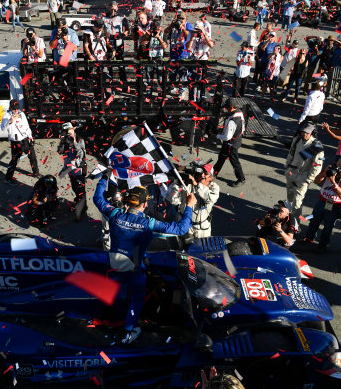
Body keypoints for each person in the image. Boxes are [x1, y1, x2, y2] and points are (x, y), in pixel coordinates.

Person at [93, 170, 196, 343]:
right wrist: (190, 206)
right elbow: (181, 229)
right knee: (137, 299)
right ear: (143, 205)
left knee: (114, 296)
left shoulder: (114, 214)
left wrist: (104, 178)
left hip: (112, 266)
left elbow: (98, 199)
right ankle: (128, 330)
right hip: (134, 271)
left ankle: (109, 320)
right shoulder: (147, 223)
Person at [302, 157, 341, 253]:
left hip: (335, 205)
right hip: (322, 200)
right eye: (338, 166)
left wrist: (333, 182)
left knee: (328, 226)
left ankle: (322, 245)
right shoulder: (332, 169)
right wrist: (325, 173)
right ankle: (309, 238)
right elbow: (316, 181)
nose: (339, 170)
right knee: (314, 221)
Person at [166, 163, 220, 239]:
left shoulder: (213, 187)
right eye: (202, 172)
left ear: (211, 177)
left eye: (206, 174)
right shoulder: (187, 184)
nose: (202, 175)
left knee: (202, 248)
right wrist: (177, 184)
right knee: (184, 248)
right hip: (184, 225)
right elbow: (173, 201)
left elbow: (210, 198)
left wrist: (196, 184)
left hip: (202, 228)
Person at [285, 123, 325, 217]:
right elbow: (291, 154)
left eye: (307, 133)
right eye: (303, 132)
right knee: (289, 197)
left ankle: (295, 222)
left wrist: (308, 179)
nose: (304, 134)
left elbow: (317, 166)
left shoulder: (316, 146)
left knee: (297, 202)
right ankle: (288, 216)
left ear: (312, 133)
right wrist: (287, 168)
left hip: (303, 176)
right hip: (291, 172)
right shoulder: (297, 139)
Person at [1, 99, 39, 184]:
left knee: (32, 156)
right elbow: (3, 128)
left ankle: (36, 172)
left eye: (17, 108)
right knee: (14, 160)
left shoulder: (21, 114)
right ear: (10, 108)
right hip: (16, 142)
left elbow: (26, 126)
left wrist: (30, 137)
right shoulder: (6, 116)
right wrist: (11, 120)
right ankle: (8, 178)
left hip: (25, 139)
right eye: (14, 109)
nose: (16, 110)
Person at [57, 122, 87, 218]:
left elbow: (81, 155)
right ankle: (80, 205)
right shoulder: (65, 139)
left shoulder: (80, 140)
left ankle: (81, 211)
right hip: (70, 168)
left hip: (79, 168)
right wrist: (61, 142)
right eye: (65, 131)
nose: (67, 133)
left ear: (73, 129)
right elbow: (60, 152)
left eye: (68, 130)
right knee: (75, 188)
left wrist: (74, 142)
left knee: (80, 189)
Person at [214, 100, 246, 187]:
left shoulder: (233, 121)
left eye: (227, 108)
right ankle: (214, 173)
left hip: (231, 143)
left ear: (231, 107)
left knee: (234, 161)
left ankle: (241, 179)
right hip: (236, 140)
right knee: (221, 157)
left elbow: (227, 137)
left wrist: (217, 136)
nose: (226, 109)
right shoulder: (239, 112)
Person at [103, 1, 129, 84]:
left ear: (117, 8)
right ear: (109, 8)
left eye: (114, 9)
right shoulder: (104, 17)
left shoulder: (122, 17)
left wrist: (122, 35)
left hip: (119, 42)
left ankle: (123, 83)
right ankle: (110, 83)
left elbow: (128, 30)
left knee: (120, 63)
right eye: (111, 9)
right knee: (109, 63)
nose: (113, 11)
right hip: (108, 42)